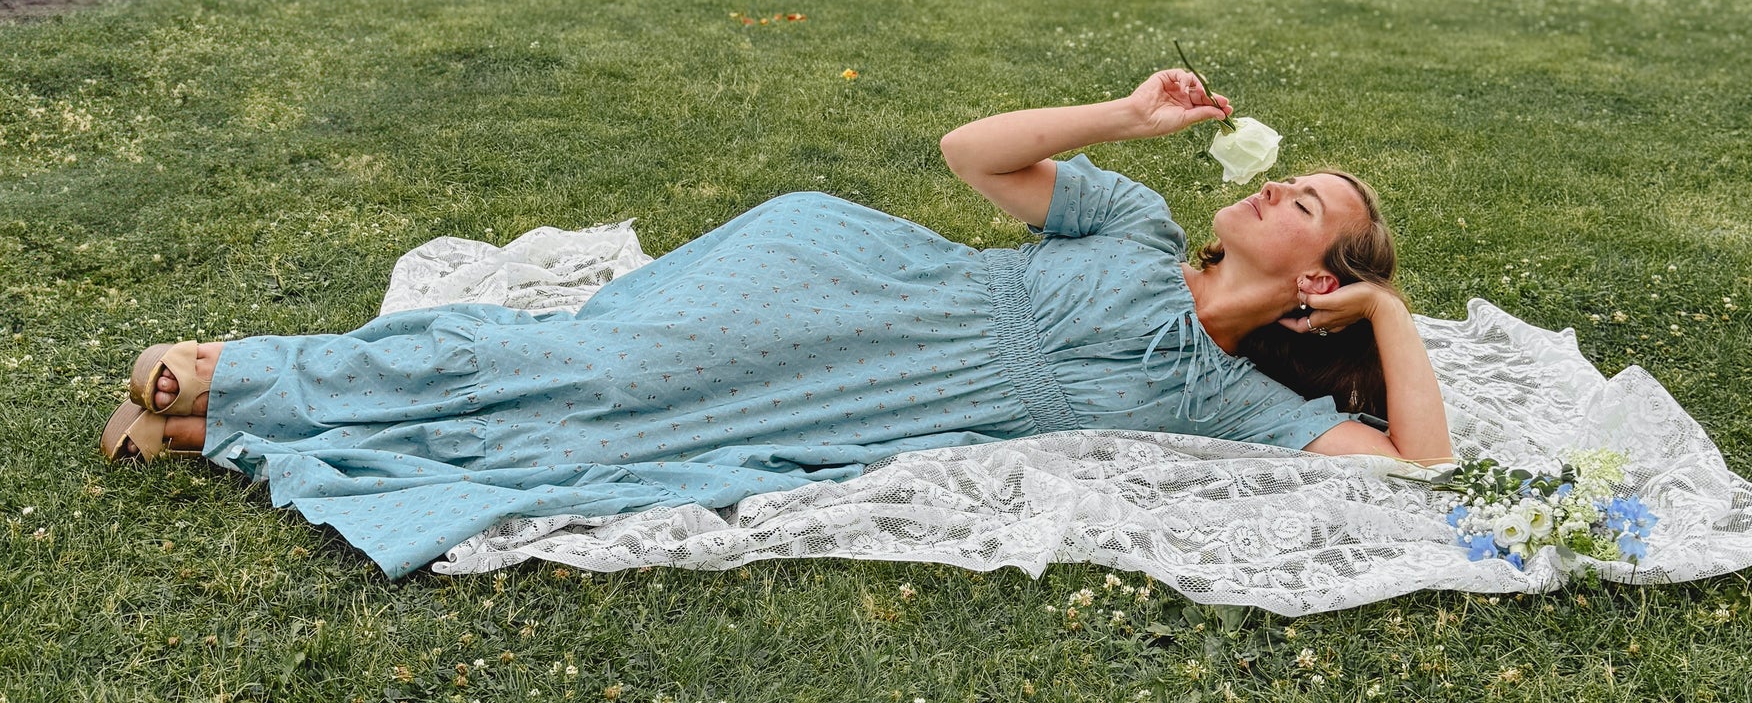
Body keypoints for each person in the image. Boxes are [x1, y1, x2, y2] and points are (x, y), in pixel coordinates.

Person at [100, 70, 1451, 578]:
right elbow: (969, 148)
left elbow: (1413, 467)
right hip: (829, 278)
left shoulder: (1229, 400)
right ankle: (253, 367)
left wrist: (1388, 310)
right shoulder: (1136, 224)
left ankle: (215, 423)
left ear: (1318, 279)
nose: (1279, 182)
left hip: (850, 403)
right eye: (1291, 173)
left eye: (1309, 203)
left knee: (603, 437)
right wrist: (1123, 113)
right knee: (590, 363)